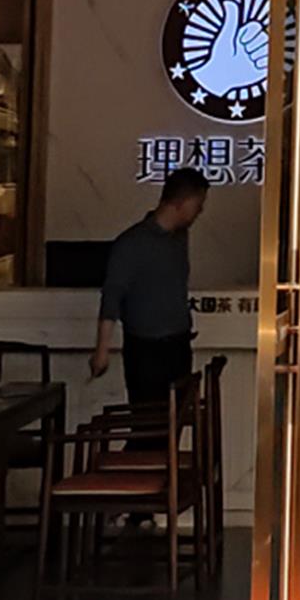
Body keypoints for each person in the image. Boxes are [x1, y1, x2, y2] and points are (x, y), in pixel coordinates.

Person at [92, 167, 208, 420]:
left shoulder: (179, 238)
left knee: (173, 423)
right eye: (197, 204)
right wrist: (102, 349)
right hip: (146, 351)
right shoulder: (132, 244)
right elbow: (112, 296)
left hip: (178, 345)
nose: (200, 211)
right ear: (181, 202)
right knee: (147, 423)